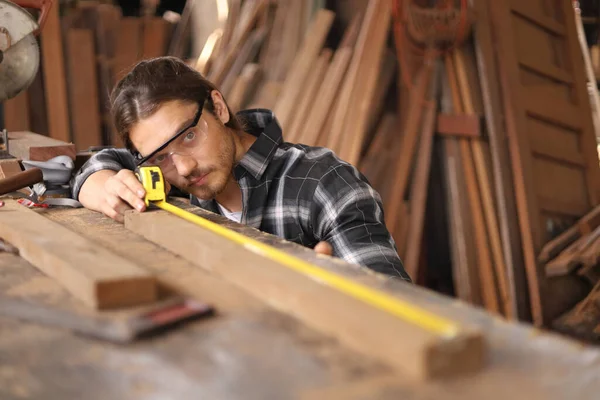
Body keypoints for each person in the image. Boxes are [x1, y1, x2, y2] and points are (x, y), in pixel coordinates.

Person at [71, 56, 411, 282]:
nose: (184, 168)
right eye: (159, 157)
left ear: (218, 107)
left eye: (189, 136)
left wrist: (336, 300)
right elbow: (101, 162)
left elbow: (402, 312)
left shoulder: (325, 183)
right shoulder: (168, 172)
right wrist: (98, 185)